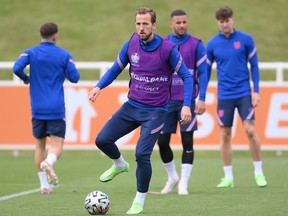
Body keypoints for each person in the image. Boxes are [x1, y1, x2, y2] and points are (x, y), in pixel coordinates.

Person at [88, 7, 193, 215]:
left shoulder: (168, 49)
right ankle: (119, 164)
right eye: (138, 23)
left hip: (156, 111)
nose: (141, 28)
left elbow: (187, 76)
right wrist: (98, 87)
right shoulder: (131, 44)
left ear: (154, 25)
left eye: (145, 23)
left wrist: (187, 104)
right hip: (132, 106)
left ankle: (139, 201)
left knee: (142, 154)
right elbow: (114, 69)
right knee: (102, 140)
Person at [13, 22, 80, 194]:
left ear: (40, 35)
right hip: (55, 108)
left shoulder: (31, 52)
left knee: (39, 145)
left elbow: (16, 68)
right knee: (56, 145)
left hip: (37, 108)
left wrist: (26, 78)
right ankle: (49, 162)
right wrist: (63, 71)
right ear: (56, 36)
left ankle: (44, 185)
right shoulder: (63, 55)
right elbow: (75, 77)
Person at [206, 6, 267, 188]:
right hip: (224, 94)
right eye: (222, 21)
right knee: (225, 134)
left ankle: (258, 172)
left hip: (243, 93)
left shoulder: (246, 39)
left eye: (228, 20)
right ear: (218, 22)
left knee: (250, 130)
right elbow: (206, 72)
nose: (225, 24)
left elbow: (254, 66)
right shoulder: (212, 44)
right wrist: (200, 94)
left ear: (233, 20)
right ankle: (228, 177)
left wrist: (256, 91)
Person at [157, 9, 208, 195]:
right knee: (162, 141)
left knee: (187, 141)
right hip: (165, 101)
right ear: (171, 24)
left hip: (187, 101)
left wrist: (202, 98)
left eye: (184, 22)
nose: (182, 25)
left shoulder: (196, 44)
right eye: (178, 22)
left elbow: (203, 73)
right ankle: (172, 177)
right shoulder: (163, 43)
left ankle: (183, 183)